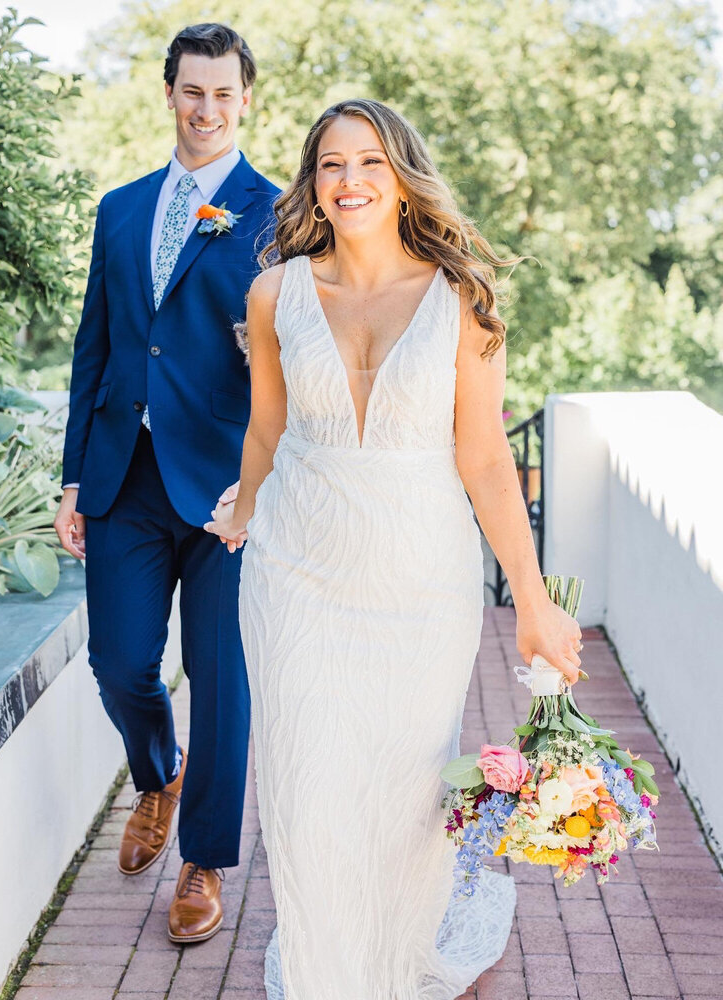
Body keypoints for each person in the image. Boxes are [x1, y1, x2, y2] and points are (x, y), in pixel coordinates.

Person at [204, 99, 583, 998]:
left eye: (369, 161)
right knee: (307, 783)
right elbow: (267, 429)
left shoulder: (462, 302)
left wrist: (531, 601)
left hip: (422, 577)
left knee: (410, 789)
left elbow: (486, 459)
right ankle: (327, 968)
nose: (350, 180)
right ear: (312, 182)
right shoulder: (274, 294)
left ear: (402, 173)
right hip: (297, 564)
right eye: (331, 165)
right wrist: (242, 505)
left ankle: (394, 954)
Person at [54, 23, 279, 944]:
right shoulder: (120, 207)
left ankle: (203, 861)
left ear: (246, 100)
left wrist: (266, 486)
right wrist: (72, 476)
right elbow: (95, 348)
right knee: (119, 664)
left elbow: (288, 363)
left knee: (223, 678)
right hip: (123, 476)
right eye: (194, 91)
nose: (208, 109)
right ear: (169, 92)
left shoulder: (278, 213)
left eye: (225, 94)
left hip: (229, 490)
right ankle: (156, 776)